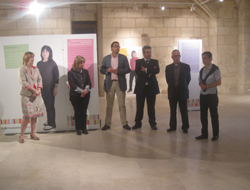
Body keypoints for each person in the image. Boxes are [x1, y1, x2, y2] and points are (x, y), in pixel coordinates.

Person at [100, 41, 131, 130]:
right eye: (115, 46)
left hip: (120, 83)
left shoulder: (123, 58)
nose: (117, 48)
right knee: (109, 105)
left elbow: (128, 69)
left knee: (122, 105)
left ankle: (124, 123)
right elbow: (102, 70)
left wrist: (119, 71)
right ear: (111, 48)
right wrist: (107, 70)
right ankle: (107, 123)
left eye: (118, 46)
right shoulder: (106, 58)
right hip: (110, 83)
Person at [132, 46, 160, 130]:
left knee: (151, 107)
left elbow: (157, 71)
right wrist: (150, 72)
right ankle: (138, 123)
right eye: (147, 52)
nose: (149, 54)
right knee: (139, 107)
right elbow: (138, 72)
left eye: (150, 52)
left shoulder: (155, 62)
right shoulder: (138, 62)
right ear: (143, 53)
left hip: (151, 87)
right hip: (141, 88)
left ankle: (152, 123)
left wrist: (146, 70)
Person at [196, 51, 221, 141]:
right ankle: (204, 134)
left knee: (213, 115)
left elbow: (219, 82)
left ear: (210, 59)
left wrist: (207, 86)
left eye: (205, 58)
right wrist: (201, 85)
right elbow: (200, 80)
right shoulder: (202, 70)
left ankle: (215, 134)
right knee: (203, 115)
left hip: (212, 95)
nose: (203, 60)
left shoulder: (215, 69)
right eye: (202, 58)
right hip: (203, 95)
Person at [18, 52, 43, 143]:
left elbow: (40, 79)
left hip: (36, 95)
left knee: (35, 115)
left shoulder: (36, 69)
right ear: (26, 58)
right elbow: (24, 83)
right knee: (27, 116)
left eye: (33, 57)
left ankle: (33, 134)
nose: (33, 59)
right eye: (31, 57)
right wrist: (34, 91)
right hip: (27, 96)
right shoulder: (22, 69)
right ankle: (21, 136)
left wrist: (38, 91)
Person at [165, 50, 191, 133]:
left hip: (182, 91)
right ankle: (172, 126)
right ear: (172, 57)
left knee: (184, 110)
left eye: (178, 56)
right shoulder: (168, 68)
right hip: (173, 91)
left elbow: (188, 79)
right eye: (175, 56)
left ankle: (185, 126)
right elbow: (168, 80)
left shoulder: (186, 67)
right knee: (173, 110)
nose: (177, 57)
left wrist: (182, 86)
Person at [37, 45, 59, 131]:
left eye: (46, 51)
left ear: (50, 53)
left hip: (50, 88)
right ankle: (50, 120)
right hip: (42, 88)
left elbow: (56, 76)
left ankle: (52, 124)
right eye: (43, 51)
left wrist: (55, 87)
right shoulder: (39, 63)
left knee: (50, 105)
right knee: (47, 105)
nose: (44, 53)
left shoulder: (52, 63)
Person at [68, 56, 91, 135]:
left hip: (86, 95)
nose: (82, 64)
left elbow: (89, 83)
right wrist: (81, 92)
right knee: (77, 112)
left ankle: (84, 128)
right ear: (76, 63)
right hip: (75, 95)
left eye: (83, 62)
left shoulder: (85, 72)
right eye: (81, 63)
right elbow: (72, 85)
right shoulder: (71, 73)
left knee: (84, 112)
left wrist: (85, 91)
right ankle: (78, 129)